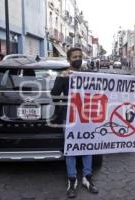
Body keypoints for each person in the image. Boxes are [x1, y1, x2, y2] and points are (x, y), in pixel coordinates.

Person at [51, 47, 99, 199]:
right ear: (69, 59)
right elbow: (54, 94)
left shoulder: (88, 75)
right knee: (71, 148)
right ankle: (72, 180)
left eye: (80, 56)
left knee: (87, 146)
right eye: (74, 57)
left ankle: (87, 177)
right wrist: (62, 77)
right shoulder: (64, 75)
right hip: (70, 118)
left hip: (86, 117)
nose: (77, 59)